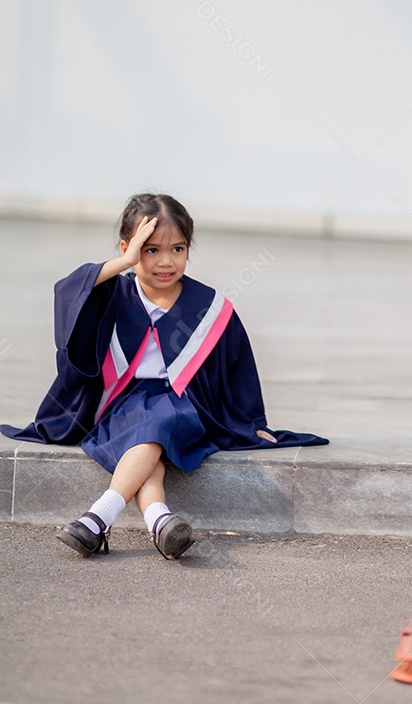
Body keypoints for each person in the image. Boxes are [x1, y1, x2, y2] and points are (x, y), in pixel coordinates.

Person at [1, 193, 328, 559]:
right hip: (122, 406)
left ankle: (98, 517)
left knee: (159, 419)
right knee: (150, 441)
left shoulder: (208, 306)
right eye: (150, 250)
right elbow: (69, 291)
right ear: (128, 247)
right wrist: (124, 262)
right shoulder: (114, 293)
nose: (166, 262)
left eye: (177, 249)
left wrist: (251, 422)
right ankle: (160, 521)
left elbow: (238, 371)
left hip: (186, 407)